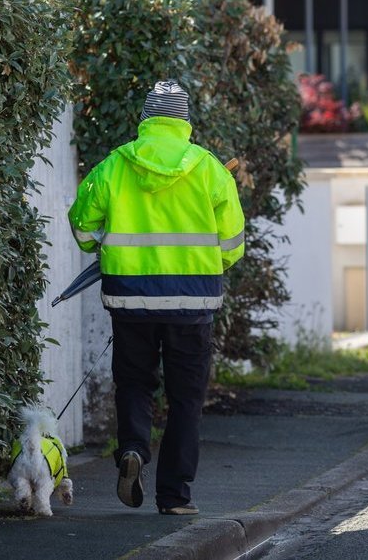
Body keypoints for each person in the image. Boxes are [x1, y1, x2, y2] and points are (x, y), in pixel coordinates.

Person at [67, 80, 244, 515]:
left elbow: (82, 226)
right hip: (193, 304)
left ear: (146, 120)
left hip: (130, 299)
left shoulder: (114, 166)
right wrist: (205, 264)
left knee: (133, 382)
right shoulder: (210, 169)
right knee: (185, 398)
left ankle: (132, 449)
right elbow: (233, 245)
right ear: (184, 121)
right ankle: (175, 497)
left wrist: (103, 248)